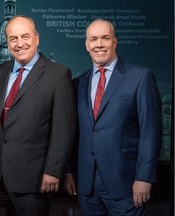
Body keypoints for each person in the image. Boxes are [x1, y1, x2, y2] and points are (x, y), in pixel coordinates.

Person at [0, 15, 76, 216]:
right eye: (13, 39)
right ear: (7, 43)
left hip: (34, 180)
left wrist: (54, 171)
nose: (20, 44)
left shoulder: (58, 74)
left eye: (25, 37)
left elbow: (63, 130)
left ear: (36, 39)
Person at [64, 18, 162, 216]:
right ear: (86, 45)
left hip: (126, 184)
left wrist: (144, 178)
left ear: (114, 42)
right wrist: (68, 171)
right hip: (87, 186)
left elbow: (151, 132)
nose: (99, 44)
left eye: (105, 38)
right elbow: (70, 133)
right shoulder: (78, 83)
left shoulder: (140, 77)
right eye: (93, 39)